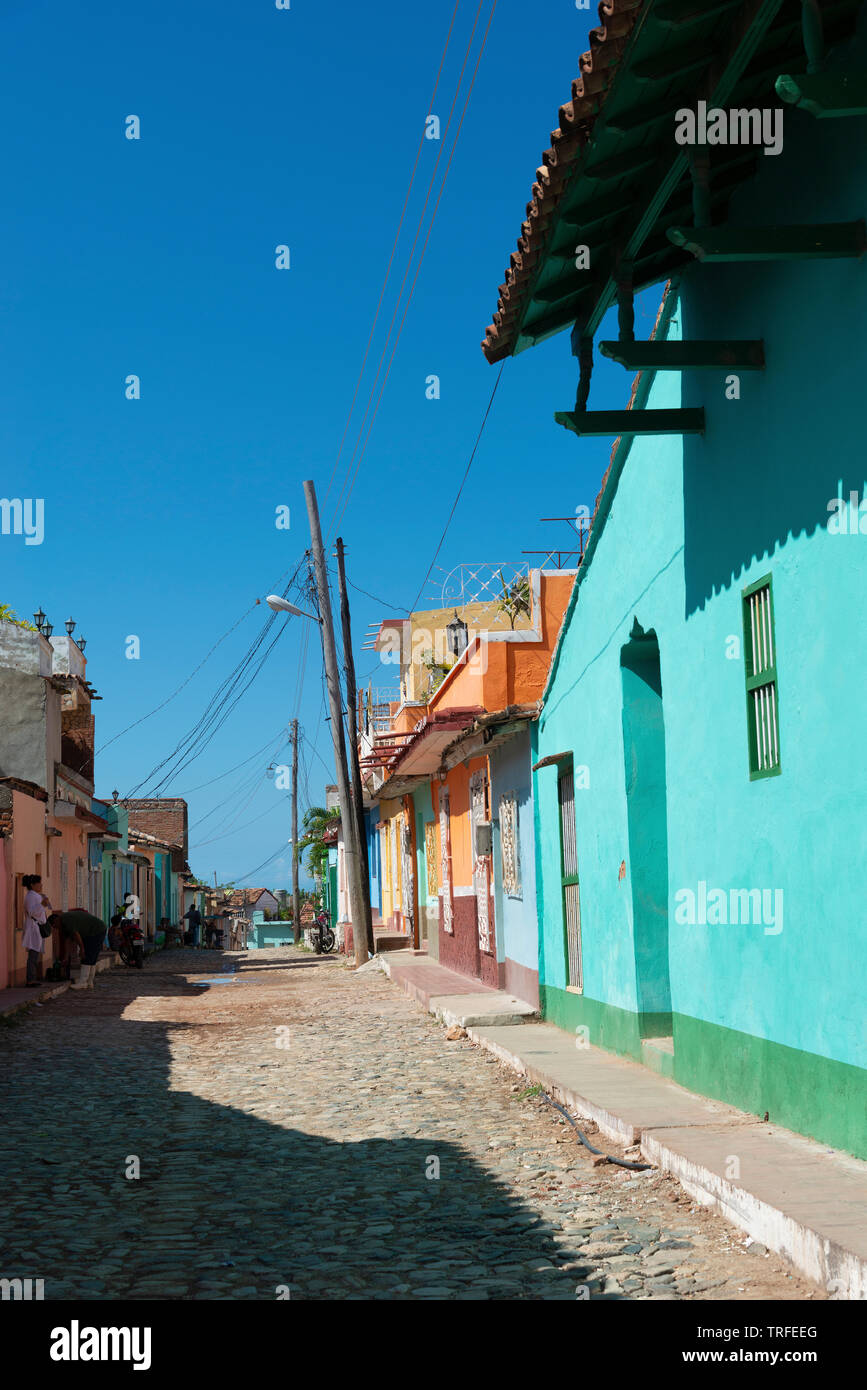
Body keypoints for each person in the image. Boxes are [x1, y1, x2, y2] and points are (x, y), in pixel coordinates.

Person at [48, 907, 107, 990]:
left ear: (57, 920)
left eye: (55, 925)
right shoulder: (63, 925)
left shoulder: (66, 920)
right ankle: (89, 982)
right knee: (91, 957)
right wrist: (65, 958)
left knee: (87, 956)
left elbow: (76, 935)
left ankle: (82, 982)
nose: (55, 928)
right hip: (93, 931)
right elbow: (67, 941)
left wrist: (82, 949)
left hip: (96, 930)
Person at [21, 874, 51, 987]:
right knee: (33, 954)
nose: (41, 885)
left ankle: (32, 978)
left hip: (37, 928)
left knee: (35, 953)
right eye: (39, 883)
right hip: (34, 928)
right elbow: (32, 912)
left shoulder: (36, 895)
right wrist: (42, 904)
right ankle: (30, 979)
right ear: (32, 885)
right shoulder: (30, 897)